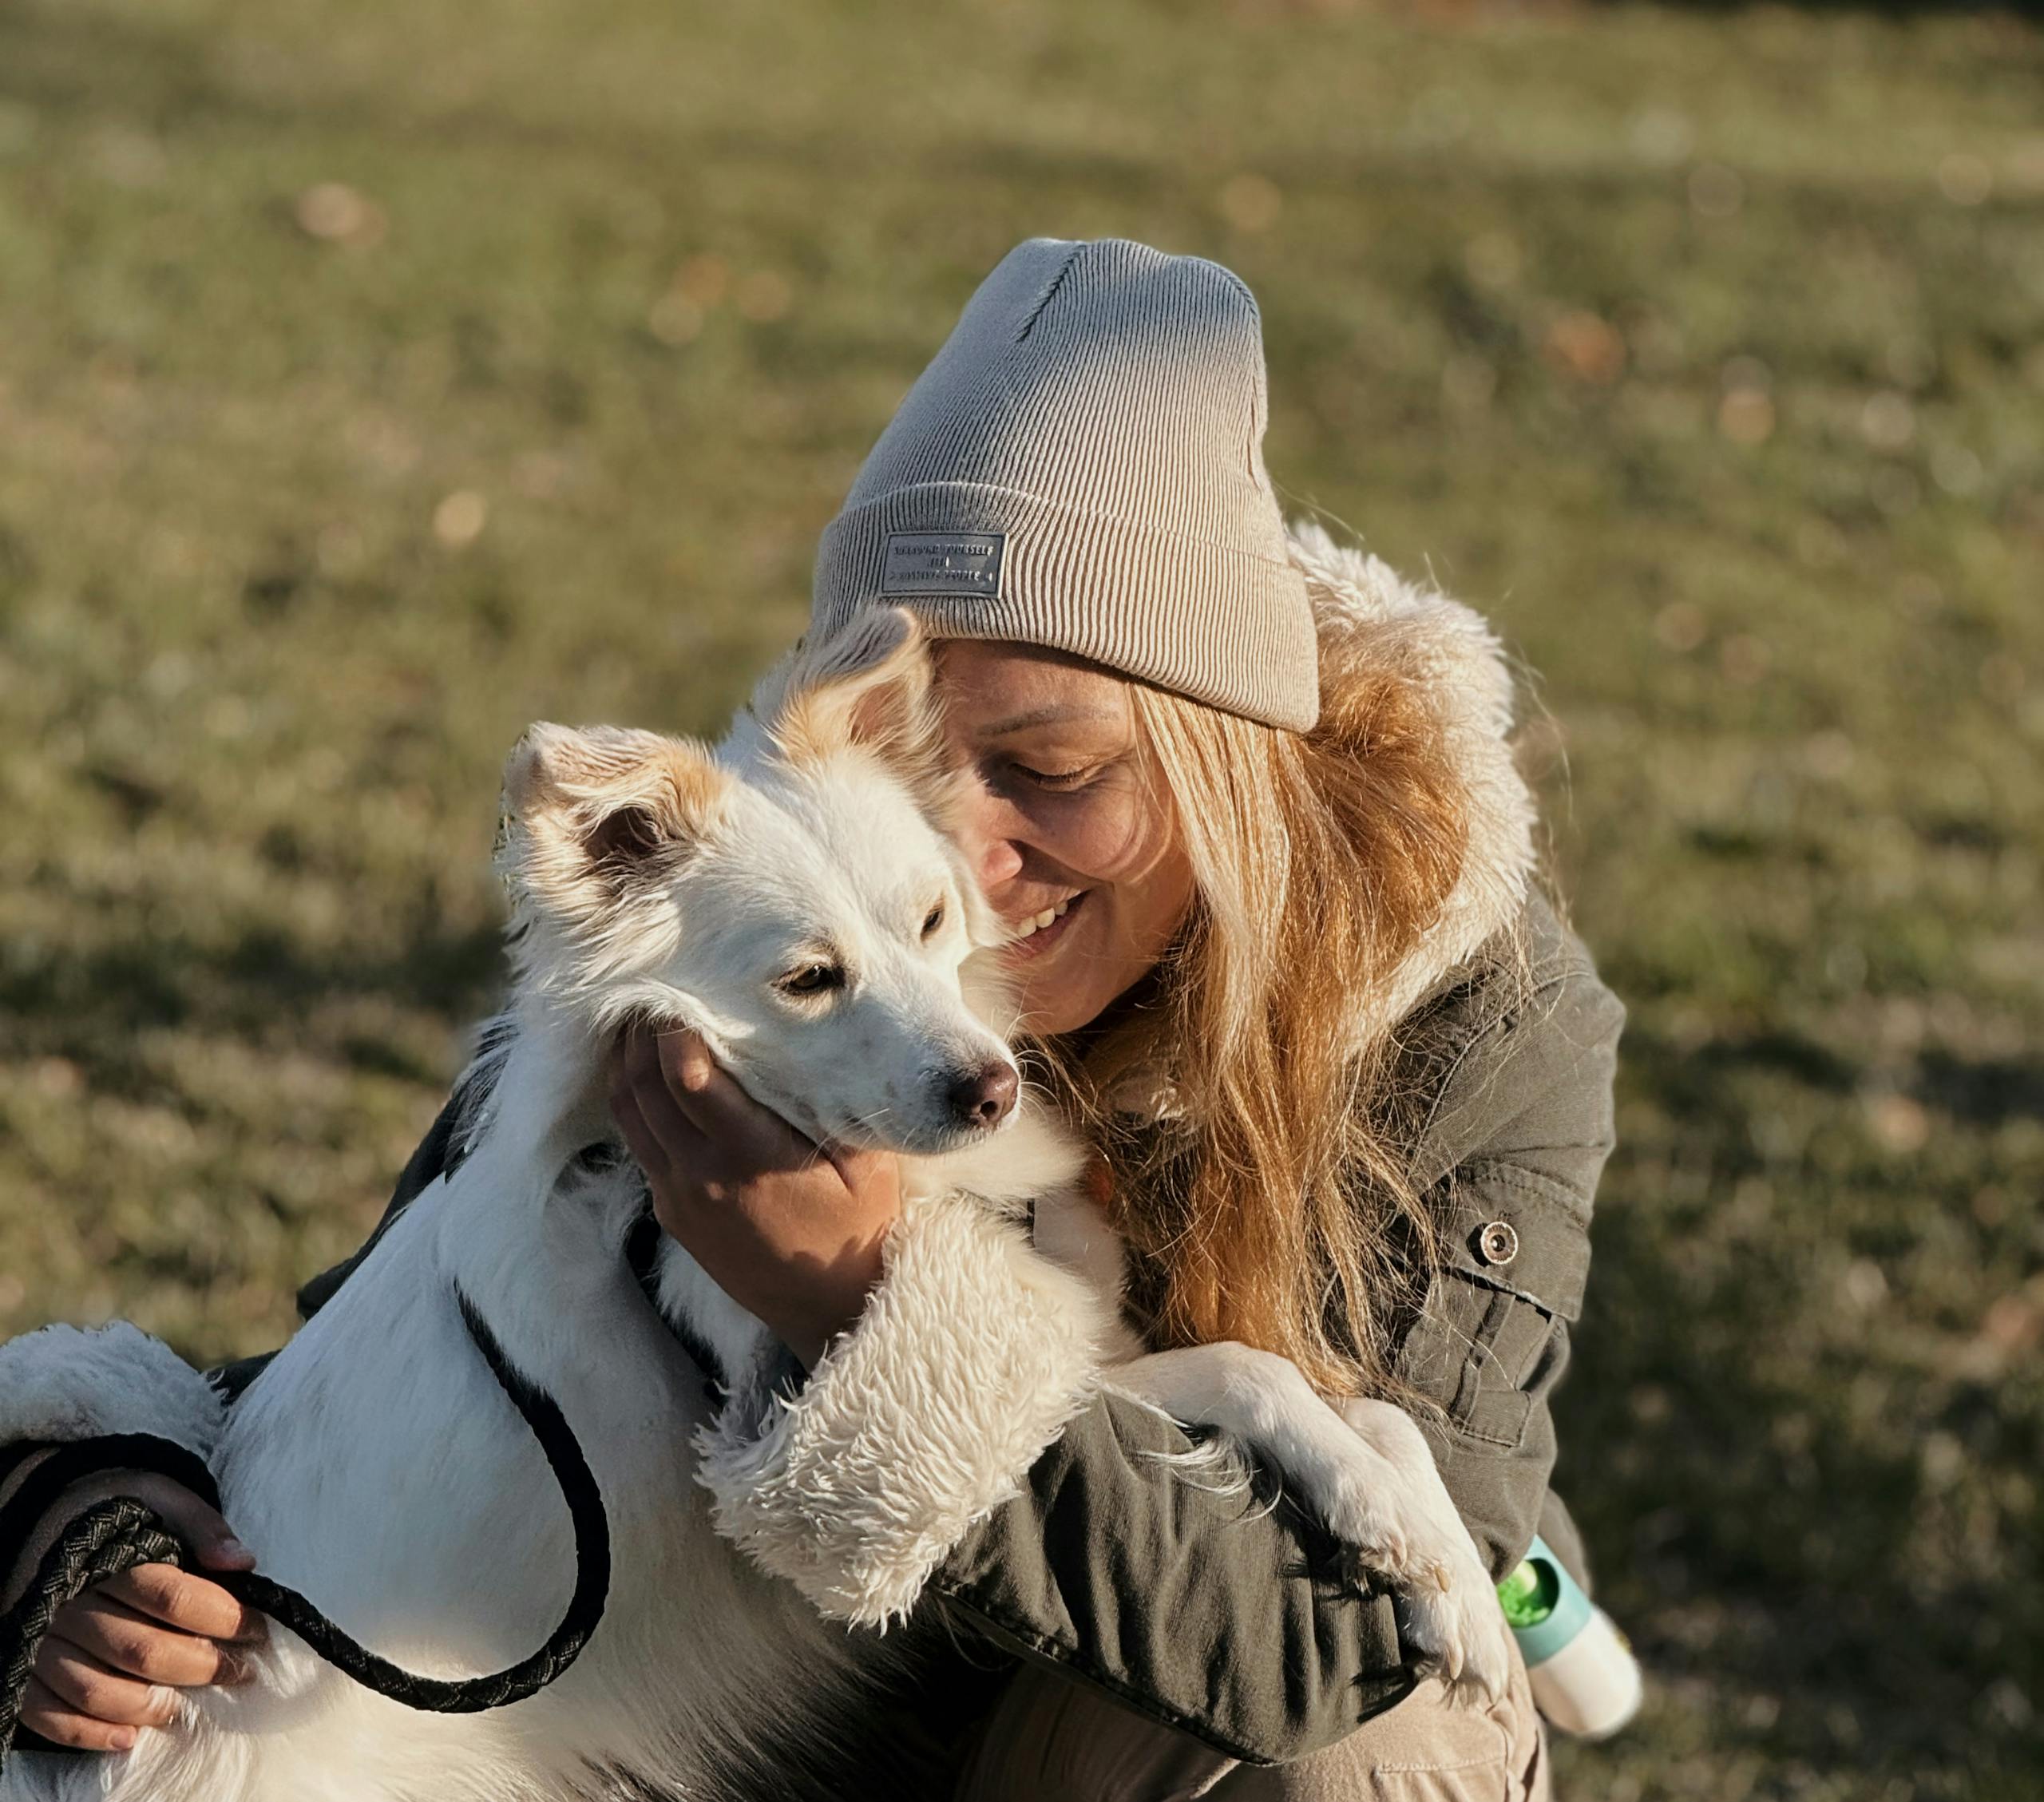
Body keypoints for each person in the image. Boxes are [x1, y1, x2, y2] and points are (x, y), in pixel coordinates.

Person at [1, 238, 1622, 1800]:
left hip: (1143, 1739)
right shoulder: (725, 954)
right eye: (911, 769)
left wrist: (862, 1311)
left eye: (1050, 774)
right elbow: (400, 1381)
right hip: (749, 1759)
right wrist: (99, 1499)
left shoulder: (1468, 1018)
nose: (966, 864)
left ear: (1221, 761)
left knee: (1369, 1745)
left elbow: (1323, 1657)